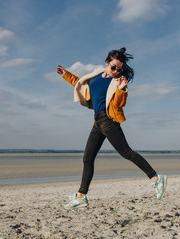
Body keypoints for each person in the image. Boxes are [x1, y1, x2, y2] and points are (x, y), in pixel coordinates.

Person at [57, 47, 167, 210]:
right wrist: (66, 75)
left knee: (126, 152)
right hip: (97, 121)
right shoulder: (95, 76)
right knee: (87, 157)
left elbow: (119, 104)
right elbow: (82, 85)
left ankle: (156, 179)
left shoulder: (117, 81)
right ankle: (81, 197)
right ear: (107, 63)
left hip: (109, 120)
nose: (116, 71)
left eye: (119, 69)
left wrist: (122, 90)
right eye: (113, 67)